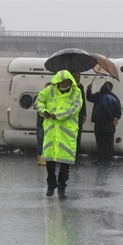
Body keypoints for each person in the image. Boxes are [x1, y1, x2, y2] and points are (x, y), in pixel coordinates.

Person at [34, 70, 82, 199]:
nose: (65, 83)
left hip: (67, 134)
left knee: (65, 163)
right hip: (51, 131)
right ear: (58, 81)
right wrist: (43, 111)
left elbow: (75, 109)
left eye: (67, 81)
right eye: (62, 81)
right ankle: (51, 184)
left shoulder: (76, 92)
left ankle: (62, 187)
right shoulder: (49, 90)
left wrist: (58, 115)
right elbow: (38, 101)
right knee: (49, 160)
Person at [87, 81, 121, 164]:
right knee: (104, 142)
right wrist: (89, 90)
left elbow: (112, 110)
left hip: (103, 123)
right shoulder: (113, 97)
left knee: (102, 142)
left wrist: (113, 117)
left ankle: (104, 159)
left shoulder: (101, 95)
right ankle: (105, 159)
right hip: (106, 124)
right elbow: (89, 98)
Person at [70, 71, 86, 165]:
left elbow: (82, 101)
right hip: (71, 116)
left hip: (79, 116)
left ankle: (76, 157)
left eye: (78, 77)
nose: (77, 78)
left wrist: (84, 114)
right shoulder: (70, 87)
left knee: (78, 137)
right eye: (75, 77)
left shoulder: (81, 87)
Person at [35, 82, 51, 166]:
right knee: (41, 142)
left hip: (48, 124)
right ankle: (40, 158)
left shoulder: (52, 98)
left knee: (46, 142)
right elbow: (35, 105)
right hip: (41, 124)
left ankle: (44, 158)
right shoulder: (41, 96)